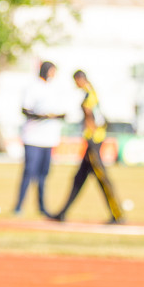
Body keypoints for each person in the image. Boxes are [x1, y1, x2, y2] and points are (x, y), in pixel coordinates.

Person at [49, 71, 125, 223]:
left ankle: (118, 215)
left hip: (93, 142)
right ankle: (62, 213)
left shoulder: (88, 95)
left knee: (103, 178)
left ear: (80, 79)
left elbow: (90, 116)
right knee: (79, 178)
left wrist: (90, 135)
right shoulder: (92, 92)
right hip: (94, 139)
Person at [13, 61, 67, 216]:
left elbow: (62, 111)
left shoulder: (55, 89)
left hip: (49, 138)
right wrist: (41, 116)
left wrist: (57, 116)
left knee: (44, 174)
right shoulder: (33, 87)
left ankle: (42, 206)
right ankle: (19, 205)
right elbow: (25, 110)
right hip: (33, 137)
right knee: (29, 171)